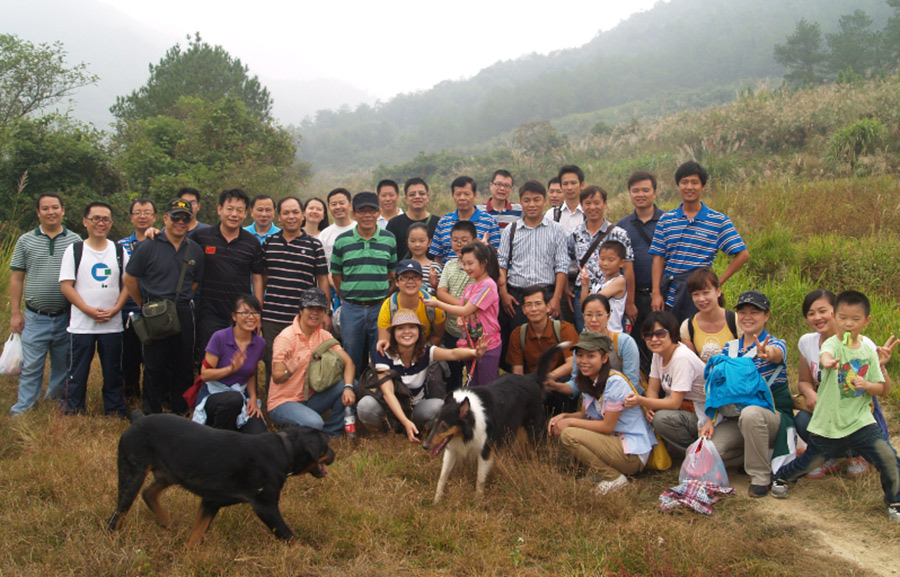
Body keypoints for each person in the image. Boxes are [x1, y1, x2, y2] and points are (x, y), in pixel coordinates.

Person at [772, 291, 900, 523]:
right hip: (829, 423)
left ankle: (895, 503)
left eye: (855, 319)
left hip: (860, 421)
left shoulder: (868, 350)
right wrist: (827, 362)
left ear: (867, 321)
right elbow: (826, 354)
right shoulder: (831, 344)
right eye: (843, 318)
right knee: (810, 461)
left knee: (889, 458)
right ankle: (781, 478)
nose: (848, 324)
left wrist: (878, 370)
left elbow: (883, 390)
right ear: (835, 317)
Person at [698, 290, 793, 498]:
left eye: (754, 312)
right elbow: (719, 388)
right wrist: (710, 420)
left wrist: (767, 353)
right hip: (735, 418)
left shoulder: (775, 344)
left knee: (751, 414)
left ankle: (760, 476)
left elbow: (776, 355)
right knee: (712, 452)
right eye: (743, 312)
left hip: (770, 417)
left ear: (766, 316)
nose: (747, 317)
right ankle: (751, 455)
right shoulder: (729, 348)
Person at [794, 289, 894, 478]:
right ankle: (827, 457)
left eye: (822, 311)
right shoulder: (806, 342)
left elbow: (880, 389)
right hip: (827, 409)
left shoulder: (863, 345)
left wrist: (881, 366)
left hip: (854, 409)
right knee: (802, 420)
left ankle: (856, 455)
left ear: (835, 312)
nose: (817, 317)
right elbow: (804, 381)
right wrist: (811, 394)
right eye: (811, 313)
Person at [548, 332, 657, 495]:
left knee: (569, 435)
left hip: (632, 453)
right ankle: (602, 472)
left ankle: (613, 478)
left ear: (604, 358)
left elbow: (607, 427)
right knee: (565, 428)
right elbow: (584, 416)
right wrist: (564, 417)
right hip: (614, 443)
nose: (584, 361)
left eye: (591, 356)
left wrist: (569, 423)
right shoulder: (588, 380)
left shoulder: (615, 382)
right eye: (580, 355)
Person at [123, 198, 205, 415]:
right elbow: (129, 279)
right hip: (155, 310)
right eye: (176, 217)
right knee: (154, 366)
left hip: (184, 310)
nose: (181, 222)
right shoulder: (147, 246)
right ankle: (152, 413)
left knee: (184, 365)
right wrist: (144, 305)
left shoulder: (195, 249)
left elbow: (195, 282)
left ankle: (180, 411)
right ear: (166, 218)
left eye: (185, 218)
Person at [358, 309, 487, 442]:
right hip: (390, 409)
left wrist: (475, 353)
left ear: (419, 332)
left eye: (412, 327)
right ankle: (383, 436)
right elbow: (388, 393)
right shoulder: (384, 354)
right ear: (394, 333)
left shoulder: (425, 352)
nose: (407, 331)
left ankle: (419, 431)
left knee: (437, 406)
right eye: (400, 328)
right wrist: (405, 422)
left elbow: (453, 353)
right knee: (366, 405)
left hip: (415, 409)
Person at [9, 192, 82, 415]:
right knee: (31, 366)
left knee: (62, 365)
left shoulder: (75, 241)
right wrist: (15, 313)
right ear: (38, 212)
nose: (51, 212)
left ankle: (54, 403)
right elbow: (17, 278)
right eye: (45, 208)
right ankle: (24, 407)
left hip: (65, 316)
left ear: (63, 210)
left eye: (55, 207)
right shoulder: (25, 240)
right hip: (35, 316)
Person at [650, 162, 749, 322]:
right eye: (684, 182)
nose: (689, 187)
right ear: (678, 185)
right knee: (671, 332)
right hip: (671, 293)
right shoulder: (666, 220)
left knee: (698, 331)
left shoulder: (718, 221)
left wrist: (716, 284)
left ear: (703, 186)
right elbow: (658, 257)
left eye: (694, 182)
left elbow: (742, 254)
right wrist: (656, 293)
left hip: (700, 295)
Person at [58, 202, 129, 416]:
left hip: (112, 324)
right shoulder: (75, 250)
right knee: (76, 371)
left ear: (111, 223)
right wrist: (87, 309)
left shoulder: (119, 250)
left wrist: (116, 309)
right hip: (81, 324)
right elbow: (66, 286)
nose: (101, 223)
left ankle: (115, 410)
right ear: (85, 222)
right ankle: (73, 410)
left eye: (105, 219)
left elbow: (128, 284)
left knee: (113, 371)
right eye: (96, 218)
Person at [268, 288, 356, 435]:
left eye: (320, 309)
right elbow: (277, 377)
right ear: (301, 310)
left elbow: (349, 363)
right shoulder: (286, 338)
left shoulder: (324, 336)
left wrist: (348, 388)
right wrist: (288, 372)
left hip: (310, 399)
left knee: (351, 385)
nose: (315, 313)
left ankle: (330, 432)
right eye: (310, 308)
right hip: (283, 402)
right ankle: (291, 427)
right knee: (314, 423)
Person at [260, 196, 330, 382]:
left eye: (295, 212)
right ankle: (273, 398)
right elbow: (263, 278)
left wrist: (326, 312)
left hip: (303, 318)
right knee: (273, 362)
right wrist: (259, 309)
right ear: (279, 217)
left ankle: (301, 398)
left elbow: (322, 280)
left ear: (303, 215)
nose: (291, 216)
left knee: (304, 363)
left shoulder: (314, 245)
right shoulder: (269, 243)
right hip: (272, 316)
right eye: (286, 213)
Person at [498, 180, 569, 358]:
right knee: (519, 343)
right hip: (517, 298)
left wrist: (556, 298)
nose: (532, 205)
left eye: (536, 200)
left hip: (547, 295)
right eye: (527, 200)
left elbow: (561, 265)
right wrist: (504, 294)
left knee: (549, 344)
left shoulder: (556, 230)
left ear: (544, 201)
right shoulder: (511, 230)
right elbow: (502, 264)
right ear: (520, 202)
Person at [331, 191, 398, 378]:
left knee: (381, 355)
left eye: (372, 210)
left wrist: (385, 294)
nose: (367, 215)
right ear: (354, 214)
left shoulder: (389, 239)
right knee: (351, 356)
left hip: (380, 308)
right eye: (362, 211)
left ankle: (379, 392)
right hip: (351, 309)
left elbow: (392, 273)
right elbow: (336, 273)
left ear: (379, 213)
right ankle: (351, 391)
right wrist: (345, 293)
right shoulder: (342, 240)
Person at [191, 189, 264, 357]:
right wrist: (155, 232)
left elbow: (257, 277)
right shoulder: (201, 237)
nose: (234, 214)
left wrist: (256, 313)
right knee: (210, 358)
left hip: (241, 313)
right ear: (219, 209)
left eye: (239, 210)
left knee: (240, 359)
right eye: (229, 209)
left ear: (245, 214)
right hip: (210, 311)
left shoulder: (252, 242)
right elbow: (179, 244)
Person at [623, 311, 708, 451]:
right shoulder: (659, 354)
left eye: (660, 334)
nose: (654, 339)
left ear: (672, 333)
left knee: (661, 419)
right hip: (683, 410)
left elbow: (674, 403)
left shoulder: (681, 357)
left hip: (700, 413)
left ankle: (696, 451)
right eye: (648, 335)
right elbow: (652, 389)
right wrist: (650, 407)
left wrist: (642, 401)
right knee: (649, 414)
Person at [545, 294, 641, 412]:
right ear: (583, 316)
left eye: (599, 315)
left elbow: (632, 383)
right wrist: (555, 386)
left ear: (608, 316)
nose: (594, 320)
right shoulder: (581, 346)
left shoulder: (624, 342)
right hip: (596, 406)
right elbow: (576, 385)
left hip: (624, 404)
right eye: (589, 315)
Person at [425, 241, 501, 387]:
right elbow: (463, 313)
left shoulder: (488, 285)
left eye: (470, 263)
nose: (466, 268)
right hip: (471, 344)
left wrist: (438, 304)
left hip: (487, 345)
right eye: (464, 263)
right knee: (473, 386)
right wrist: (461, 321)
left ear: (484, 263)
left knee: (486, 388)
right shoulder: (470, 287)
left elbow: (466, 310)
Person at [193, 295, 267, 434]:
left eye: (255, 313)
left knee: (259, 435)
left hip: (241, 395)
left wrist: (253, 397)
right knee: (233, 400)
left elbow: (251, 373)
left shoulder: (259, 343)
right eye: (245, 312)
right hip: (215, 394)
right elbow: (205, 375)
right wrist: (230, 369)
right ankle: (218, 436)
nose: (251, 317)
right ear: (234, 316)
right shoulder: (219, 337)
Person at [616, 171, 664, 377]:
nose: (640, 195)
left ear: (655, 192)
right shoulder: (622, 225)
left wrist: (658, 293)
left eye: (645, 190)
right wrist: (628, 301)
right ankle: (640, 386)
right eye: (635, 191)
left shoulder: (667, 221)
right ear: (629, 193)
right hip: (634, 298)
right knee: (636, 346)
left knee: (662, 342)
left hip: (661, 295)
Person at [568, 185, 633, 333]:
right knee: (587, 337)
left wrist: (630, 302)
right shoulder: (574, 234)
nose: (592, 207)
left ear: (605, 204)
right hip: (582, 293)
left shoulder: (619, 234)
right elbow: (567, 261)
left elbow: (628, 269)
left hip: (614, 295)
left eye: (597, 203)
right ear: (581, 206)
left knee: (612, 335)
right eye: (587, 203)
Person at [506, 286, 578, 413]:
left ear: (548, 307)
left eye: (538, 304)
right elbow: (518, 371)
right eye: (529, 305)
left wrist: (548, 377)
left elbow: (571, 363)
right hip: (533, 384)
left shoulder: (564, 329)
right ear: (524, 310)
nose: (534, 309)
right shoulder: (518, 334)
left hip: (558, 381)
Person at [118, 198, 157, 405]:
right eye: (138, 212)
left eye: (147, 212)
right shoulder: (120, 246)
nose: (142, 216)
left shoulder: (161, 242)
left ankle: (153, 398)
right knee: (129, 358)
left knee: (153, 359)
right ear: (131, 217)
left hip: (156, 313)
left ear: (155, 217)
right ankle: (131, 397)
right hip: (128, 313)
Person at [436, 221, 477, 391]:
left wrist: (467, 308)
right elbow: (441, 292)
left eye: (464, 240)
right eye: (455, 240)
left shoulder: (480, 266)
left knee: (475, 373)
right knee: (453, 374)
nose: (459, 244)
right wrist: (464, 307)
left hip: (475, 330)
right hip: (452, 329)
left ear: (475, 241)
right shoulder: (449, 265)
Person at [376, 259, 446, 352]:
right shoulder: (389, 306)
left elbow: (437, 336)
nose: (410, 281)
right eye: (405, 277)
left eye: (415, 277)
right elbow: (384, 340)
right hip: (397, 352)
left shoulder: (433, 305)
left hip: (425, 351)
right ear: (397, 282)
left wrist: (423, 353)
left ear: (421, 281)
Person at [428, 176, 501, 264]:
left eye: (466, 194)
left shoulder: (489, 222)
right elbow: (438, 257)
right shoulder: (443, 222)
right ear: (452, 196)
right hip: (449, 272)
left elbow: (497, 256)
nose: (462, 198)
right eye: (458, 194)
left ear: (475, 195)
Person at [679, 268, 740, 362]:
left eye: (706, 293)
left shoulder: (737, 321)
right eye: (696, 294)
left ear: (718, 291)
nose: (701, 299)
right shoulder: (687, 327)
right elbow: (692, 363)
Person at [386, 177, 439, 259]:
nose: (417, 196)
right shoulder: (394, 224)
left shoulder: (439, 223)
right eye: (412, 194)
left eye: (421, 193)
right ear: (406, 198)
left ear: (427, 197)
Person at [581, 240, 627, 332]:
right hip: (593, 332)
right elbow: (584, 305)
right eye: (602, 259)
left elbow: (597, 299)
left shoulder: (620, 281)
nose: (605, 263)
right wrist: (585, 285)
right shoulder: (598, 283)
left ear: (621, 263)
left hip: (611, 332)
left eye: (611, 260)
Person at [318, 188, 356, 271]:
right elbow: (322, 265)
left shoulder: (360, 229)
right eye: (334, 204)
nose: (338, 207)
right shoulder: (324, 235)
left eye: (342, 203)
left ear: (350, 205)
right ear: (329, 208)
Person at [405, 223, 441, 295]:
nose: (417, 244)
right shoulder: (404, 266)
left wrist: (434, 284)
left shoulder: (435, 267)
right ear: (407, 242)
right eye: (413, 241)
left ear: (429, 242)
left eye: (422, 241)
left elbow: (441, 292)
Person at [556, 165, 585, 234]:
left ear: (582, 185)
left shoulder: (589, 213)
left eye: (573, 183)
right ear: (560, 186)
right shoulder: (553, 215)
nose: (569, 187)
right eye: (565, 184)